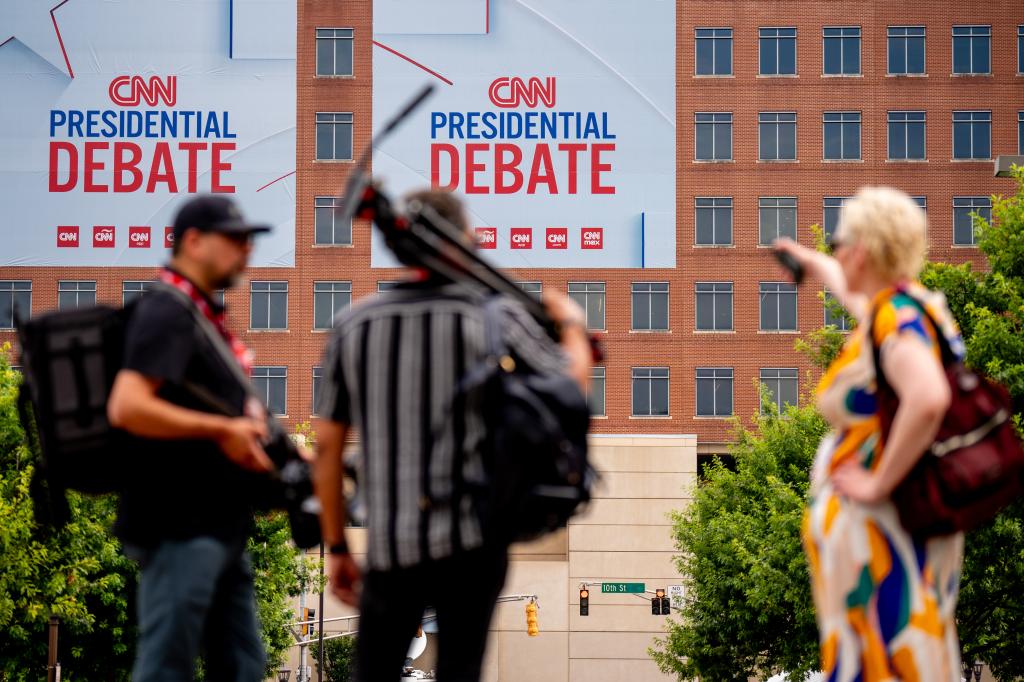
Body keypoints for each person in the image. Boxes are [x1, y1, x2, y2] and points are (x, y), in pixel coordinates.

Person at [313, 189, 592, 682]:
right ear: (462, 241)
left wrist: (337, 547)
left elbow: (328, 448)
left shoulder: (354, 324)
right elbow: (570, 390)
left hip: (391, 547)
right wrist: (570, 322)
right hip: (472, 546)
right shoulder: (492, 318)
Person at [775, 187, 966, 681]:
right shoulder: (905, 307)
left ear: (861, 249)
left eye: (840, 242)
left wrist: (878, 482)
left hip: (883, 539)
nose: (837, 252)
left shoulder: (893, 318)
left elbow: (927, 397)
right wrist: (809, 260)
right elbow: (847, 287)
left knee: (888, 663)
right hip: (889, 535)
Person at [107, 195, 275, 681]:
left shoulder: (203, 316)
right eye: (236, 240)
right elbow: (128, 404)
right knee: (166, 667)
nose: (247, 251)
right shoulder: (167, 309)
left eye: (250, 242)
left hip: (220, 525)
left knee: (244, 667)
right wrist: (224, 429)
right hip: (178, 524)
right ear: (194, 241)